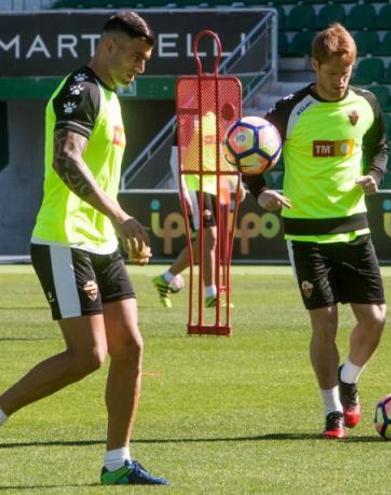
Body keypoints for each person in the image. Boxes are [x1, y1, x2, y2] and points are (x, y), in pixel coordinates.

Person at [0, 12, 168, 484]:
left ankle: (117, 463)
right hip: (63, 238)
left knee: (130, 346)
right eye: (136, 56)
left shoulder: (112, 97)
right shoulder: (82, 89)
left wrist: (117, 229)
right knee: (87, 356)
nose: (142, 67)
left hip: (100, 243)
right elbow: (66, 159)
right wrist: (122, 217)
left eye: (146, 59)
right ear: (109, 47)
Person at [244, 23, 388, 439]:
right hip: (306, 233)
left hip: (354, 228)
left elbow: (379, 146)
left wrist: (375, 173)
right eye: (331, 74)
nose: (340, 81)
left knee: (375, 320)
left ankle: (349, 380)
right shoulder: (289, 110)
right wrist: (260, 193)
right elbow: (248, 151)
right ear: (314, 65)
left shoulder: (368, 104)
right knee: (324, 325)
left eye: (346, 73)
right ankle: (332, 411)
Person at [152, 123, 243, 309]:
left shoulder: (215, 119)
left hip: (215, 184)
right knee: (210, 237)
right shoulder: (187, 118)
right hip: (195, 182)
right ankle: (210, 294)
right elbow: (176, 159)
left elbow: (222, 154)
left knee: (206, 241)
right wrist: (182, 190)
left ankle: (165, 278)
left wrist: (236, 181)